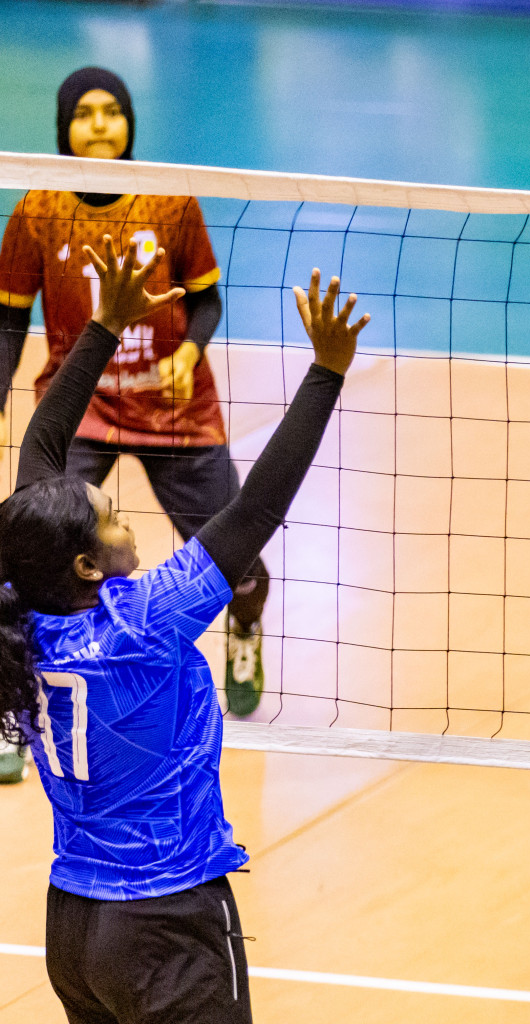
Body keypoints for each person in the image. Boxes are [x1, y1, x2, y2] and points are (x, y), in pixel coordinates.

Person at [0, 231, 367, 1024]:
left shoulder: (21, 611)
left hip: (73, 927)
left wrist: (103, 326)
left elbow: (41, 449)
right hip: (167, 920)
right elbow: (257, 508)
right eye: (112, 516)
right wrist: (326, 372)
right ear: (90, 567)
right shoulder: (147, 621)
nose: (125, 517)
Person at [0, 66, 270, 717]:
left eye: (111, 111)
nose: (99, 123)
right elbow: (8, 319)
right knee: (33, 550)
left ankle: (244, 628)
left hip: (174, 409)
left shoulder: (170, 203)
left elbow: (206, 302)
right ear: (64, 127)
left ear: (129, 124)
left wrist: (187, 352)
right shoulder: (39, 206)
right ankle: (16, 689)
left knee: (241, 556)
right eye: (85, 112)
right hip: (81, 410)